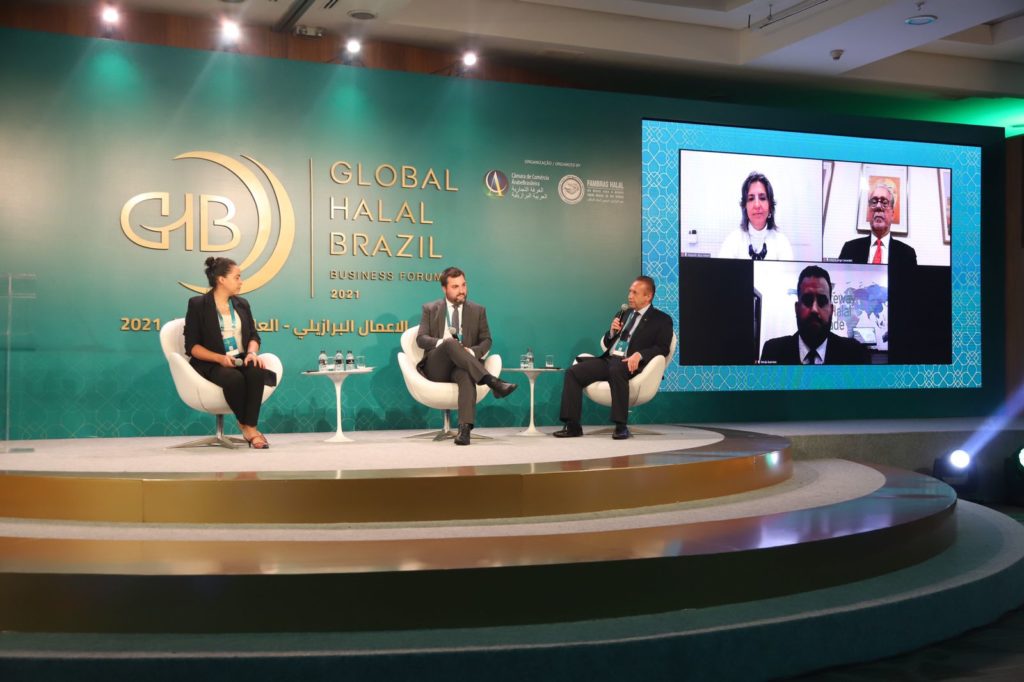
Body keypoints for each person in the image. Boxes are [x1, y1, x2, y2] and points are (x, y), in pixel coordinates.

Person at [553, 276, 673, 440]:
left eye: (635, 293)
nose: (629, 296)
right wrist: (612, 332)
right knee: (573, 372)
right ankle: (572, 426)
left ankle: (621, 425)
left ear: (648, 296)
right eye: (629, 291)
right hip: (610, 360)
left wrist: (640, 355)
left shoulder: (662, 320)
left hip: (631, 364)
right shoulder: (625, 313)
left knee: (617, 369)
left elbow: (663, 348)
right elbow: (608, 342)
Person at [416, 266, 517, 446]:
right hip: (437, 367)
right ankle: (492, 381)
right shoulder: (430, 309)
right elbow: (421, 338)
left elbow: (486, 340)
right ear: (444, 288)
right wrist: (444, 343)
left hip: (462, 365)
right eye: (455, 286)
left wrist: (470, 352)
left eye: (463, 285)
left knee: (466, 374)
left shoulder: (478, 310)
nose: (461, 290)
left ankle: (464, 430)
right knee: (450, 343)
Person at [184, 257, 276, 449]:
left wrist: (251, 353)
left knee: (256, 371)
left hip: (240, 358)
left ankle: (248, 427)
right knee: (234, 378)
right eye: (237, 277)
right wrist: (219, 358)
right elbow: (192, 347)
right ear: (221, 279)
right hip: (211, 362)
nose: (241, 281)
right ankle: (249, 429)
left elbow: (253, 336)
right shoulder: (198, 304)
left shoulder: (242, 304)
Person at [759, 265, 870, 365]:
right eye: (807, 300)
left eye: (822, 301)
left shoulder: (854, 353)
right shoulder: (772, 351)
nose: (814, 309)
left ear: (831, 310)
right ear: (796, 308)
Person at [717, 171, 794, 261]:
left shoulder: (782, 243)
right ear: (745, 206)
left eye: (762, 198)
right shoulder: (732, 241)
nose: (757, 205)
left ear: (770, 205)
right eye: (751, 199)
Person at [838, 184, 917, 266]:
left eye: (884, 202)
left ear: (892, 214)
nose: (878, 206)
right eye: (874, 202)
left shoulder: (908, 254)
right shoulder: (849, 249)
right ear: (869, 213)